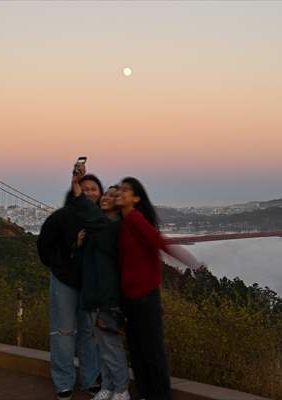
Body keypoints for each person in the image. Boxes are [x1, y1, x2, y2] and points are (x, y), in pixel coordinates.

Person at [115, 177, 199, 400]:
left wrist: (190, 261)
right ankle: (146, 395)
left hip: (145, 298)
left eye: (126, 190)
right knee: (137, 352)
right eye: (119, 189)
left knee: (152, 353)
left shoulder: (134, 218)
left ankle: (160, 396)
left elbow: (158, 240)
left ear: (136, 198)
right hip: (130, 300)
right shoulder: (123, 223)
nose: (120, 193)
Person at [37, 173, 102, 400]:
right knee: (63, 332)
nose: (90, 193)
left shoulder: (101, 219)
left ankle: (90, 380)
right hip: (64, 281)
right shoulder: (61, 217)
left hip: (91, 284)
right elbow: (44, 245)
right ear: (75, 192)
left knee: (90, 333)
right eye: (85, 189)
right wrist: (60, 264)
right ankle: (63, 382)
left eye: (94, 189)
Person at [68, 167, 130, 400]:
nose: (105, 197)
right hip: (93, 294)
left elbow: (86, 210)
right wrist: (79, 243)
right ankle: (108, 386)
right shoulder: (95, 229)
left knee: (111, 345)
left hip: (109, 297)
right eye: (106, 194)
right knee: (101, 345)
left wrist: (76, 184)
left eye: (113, 195)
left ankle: (121, 389)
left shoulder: (115, 228)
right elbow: (83, 263)